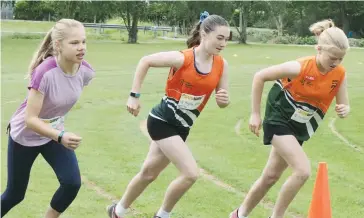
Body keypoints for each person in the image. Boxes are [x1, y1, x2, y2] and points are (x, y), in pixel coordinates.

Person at [107, 11, 230, 218]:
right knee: (190, 174)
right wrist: (134, 96)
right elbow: (145, 61)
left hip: (182, 127)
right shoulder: (182, 58)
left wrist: (223, 100)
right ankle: (162, 215)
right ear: (204, 34)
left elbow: (222, 99)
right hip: (162, 121)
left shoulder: (222, 65)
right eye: (220, 38)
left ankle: (117, 211)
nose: (223, 44)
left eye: (227, 39)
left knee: (148, 173)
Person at [230, 19, 350, 218]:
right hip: (278, 119)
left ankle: (238, 215)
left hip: (299, 127)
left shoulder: (339, 74)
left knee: (270, 177)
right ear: (318, 49)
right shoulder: (299, 67)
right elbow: (259, 76)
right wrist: (255, 113)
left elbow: (343, 104)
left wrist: (344, 109)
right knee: (302, 171)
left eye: (340, 59)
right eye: (333, 57)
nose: (336, 63)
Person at [1, 18, 95, 218]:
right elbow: (30, 119)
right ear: (58, 45)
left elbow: (60, 101)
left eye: (84, 42)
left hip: (53, 133)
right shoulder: (44, 72)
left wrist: (57, 130)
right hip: (25, 136)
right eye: (75, 43)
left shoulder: (86, 72)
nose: (81, 48)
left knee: (71, 183)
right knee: (15, 194)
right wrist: (60, 136)